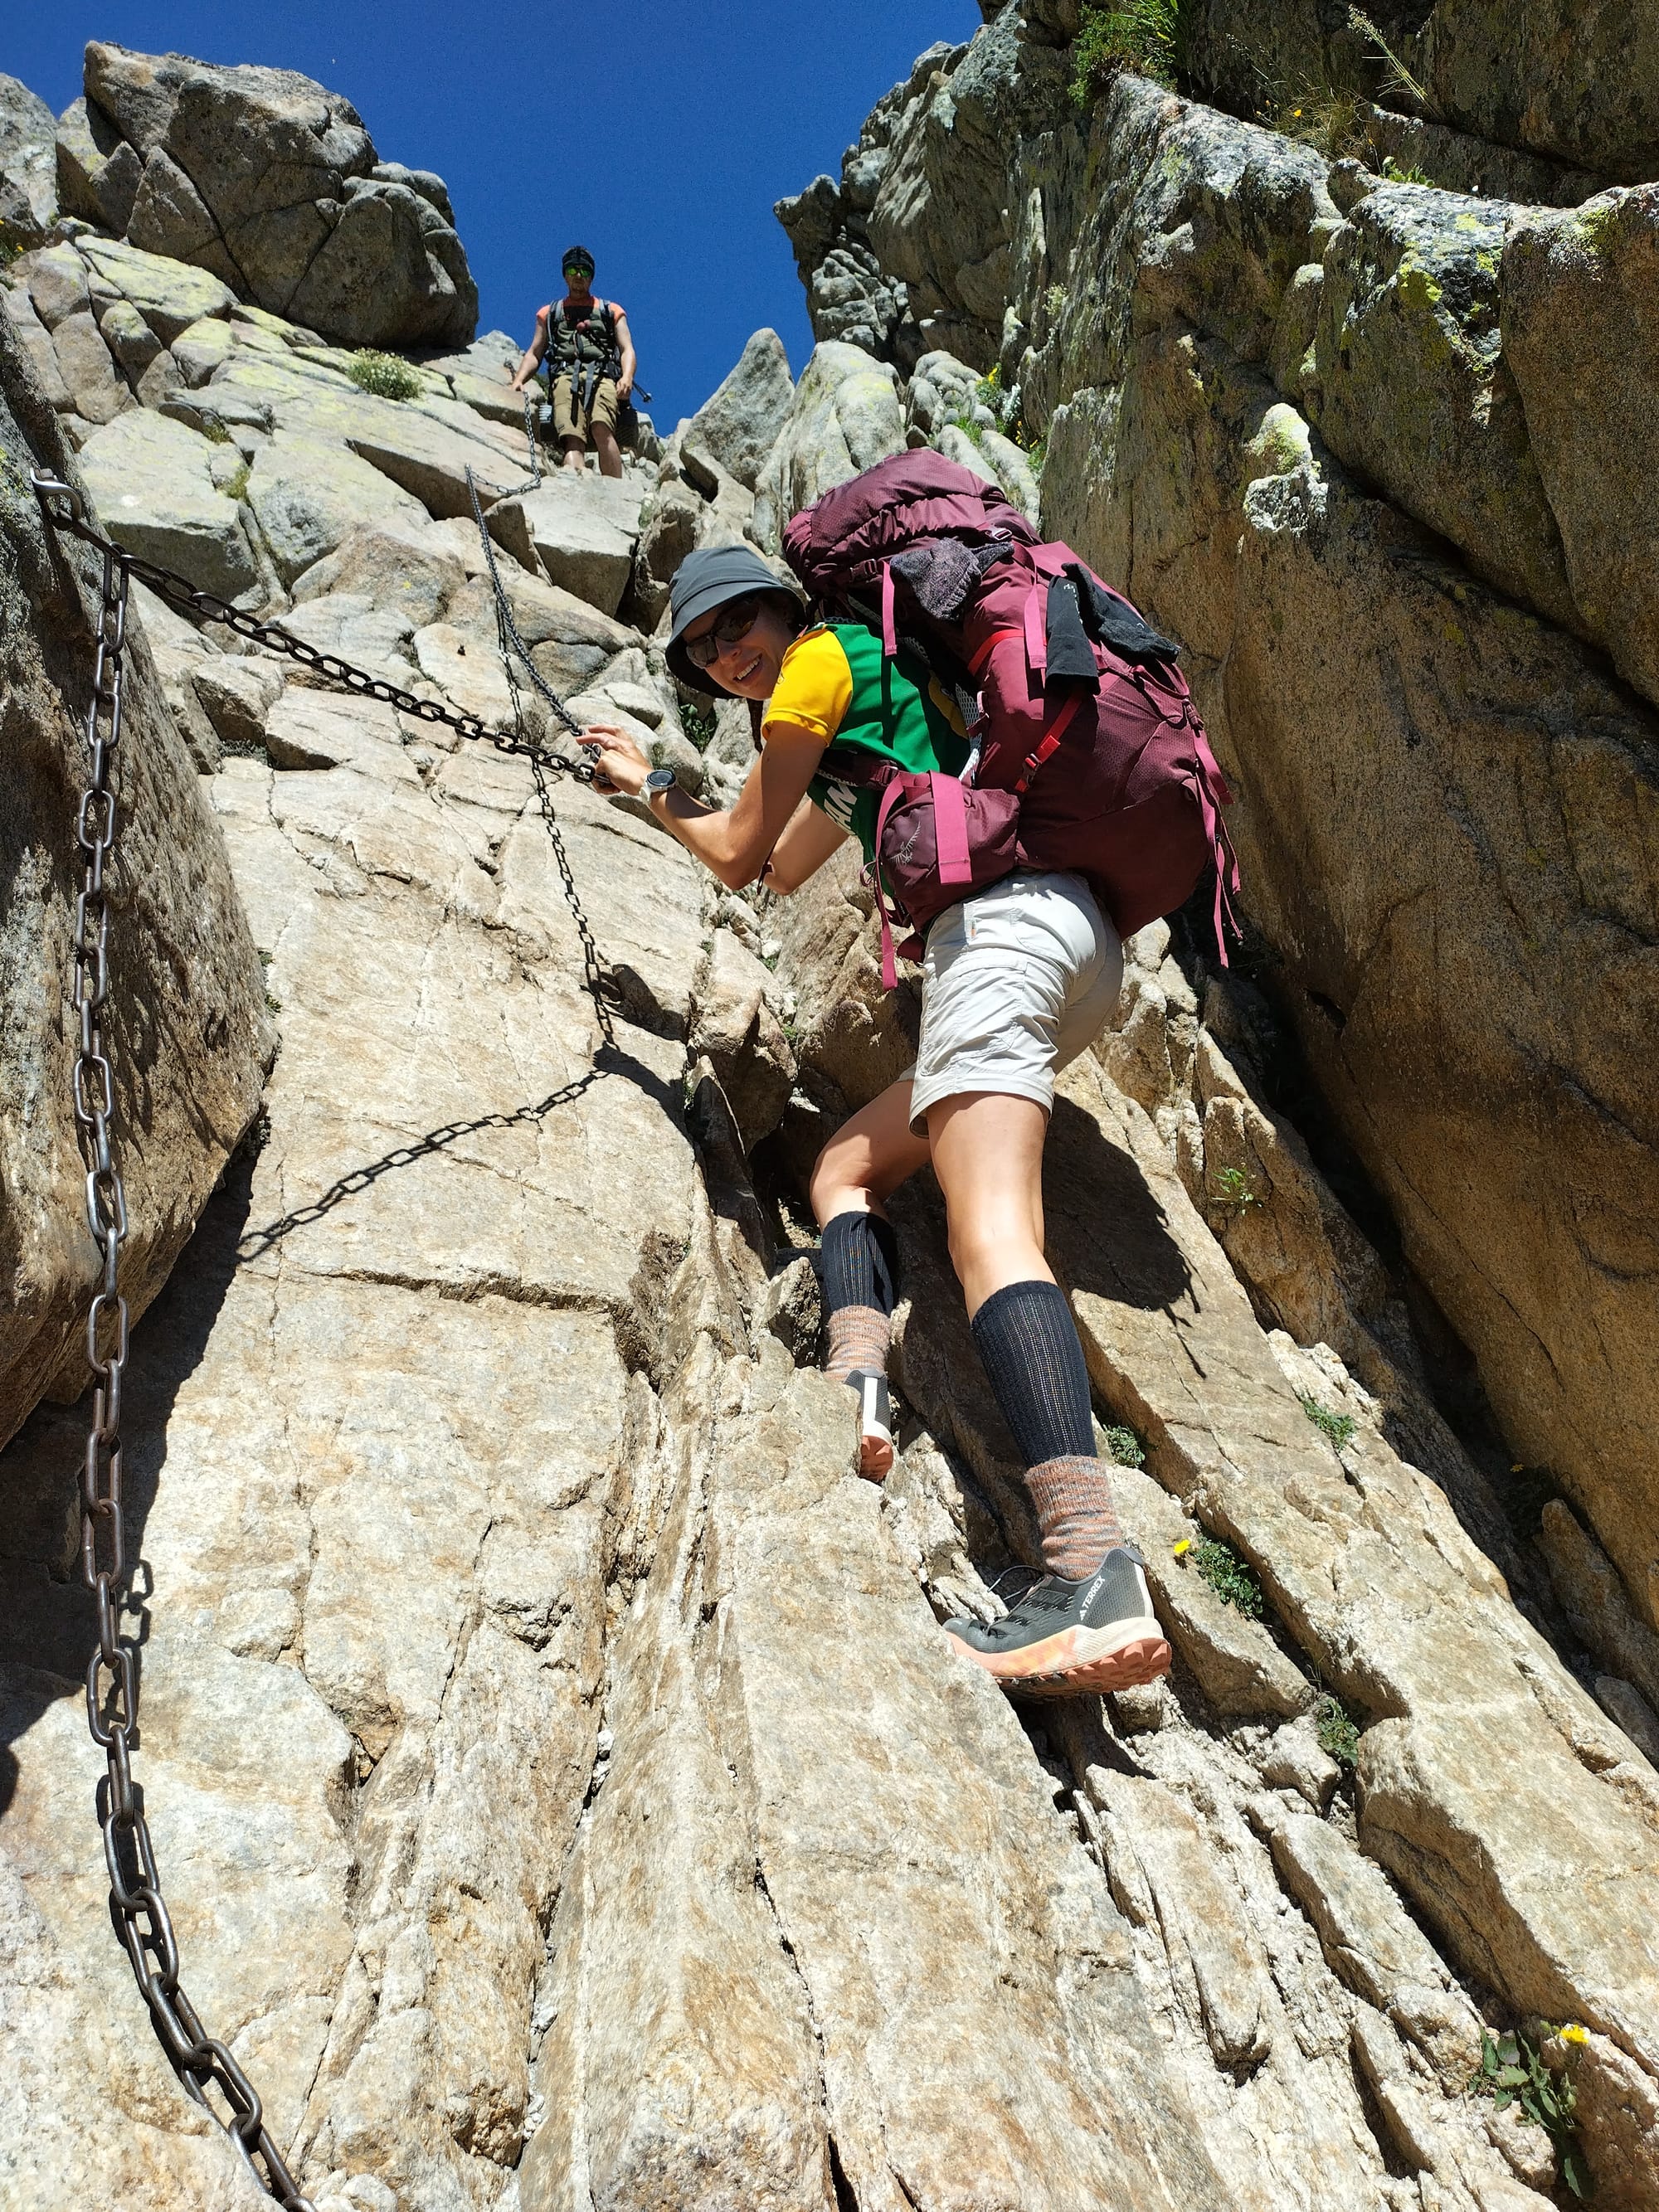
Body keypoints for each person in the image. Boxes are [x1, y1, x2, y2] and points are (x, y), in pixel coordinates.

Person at [581, 544, 1172, 1703]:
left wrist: (652, 784)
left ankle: (1092, 1565)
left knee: (992, 1225)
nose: (725, 653)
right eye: (701, 647)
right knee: (846, 1164)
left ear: (782, 604)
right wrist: (674, 808)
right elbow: (780, 865)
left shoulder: (815, 660)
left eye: (736, 621)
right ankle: (863, 1375)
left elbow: (738, 845)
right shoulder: (868, 684)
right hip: (1068, 944)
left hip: (999, 934)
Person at [508, 246, 636, 480]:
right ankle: (576, 487)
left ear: (592, 276)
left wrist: (626, 377)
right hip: (565, 377)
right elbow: (535, 352)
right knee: (572, 438)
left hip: (603, 377)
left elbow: (626, 348)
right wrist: (518, 381)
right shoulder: (549, 313)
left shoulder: (611, 310)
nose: (579, 276)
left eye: (584, 271)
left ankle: (617, 493)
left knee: (602, 427)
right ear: (565, 274)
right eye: (573, 270)